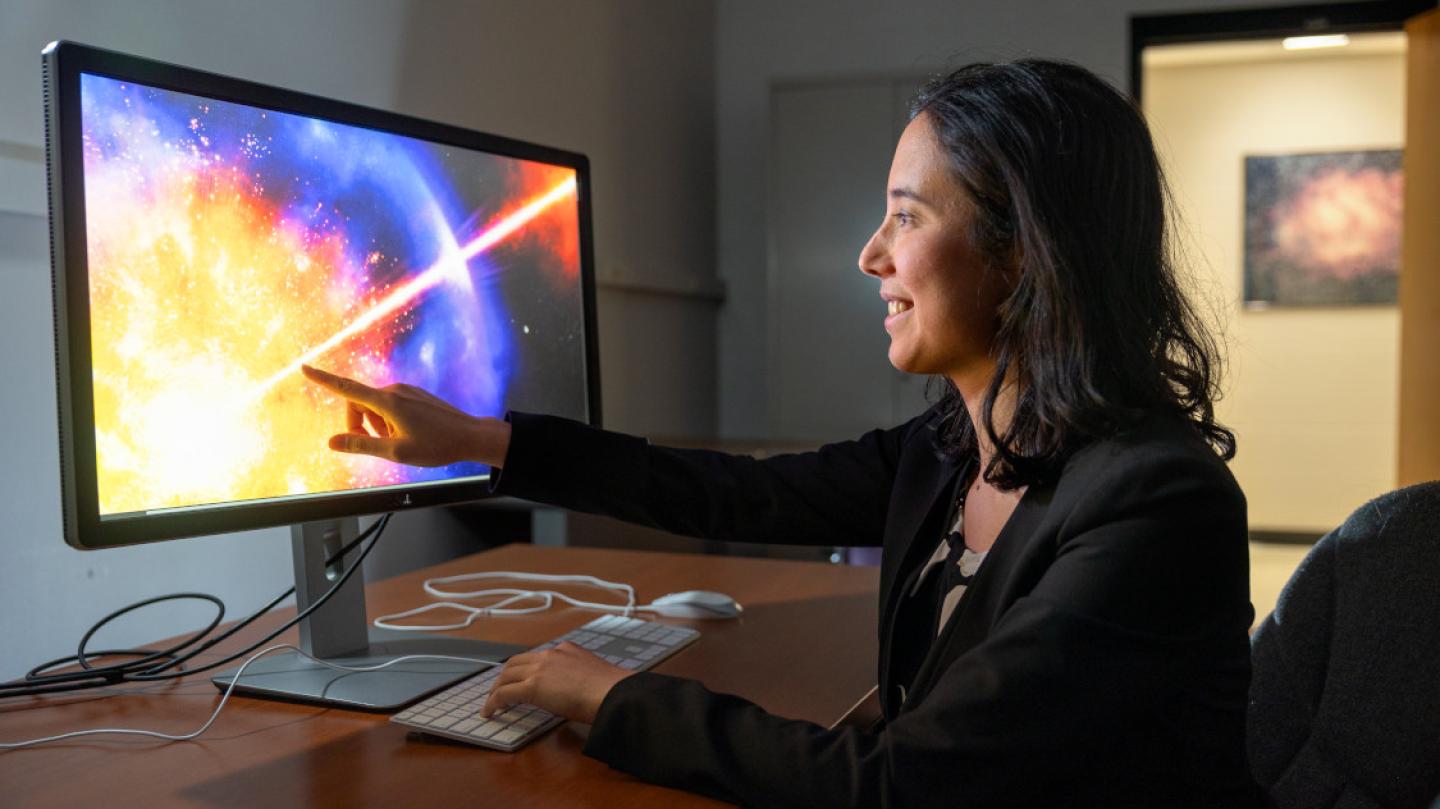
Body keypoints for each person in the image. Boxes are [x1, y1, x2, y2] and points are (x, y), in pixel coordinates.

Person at [302, 59, 1263, 808]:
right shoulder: (949, 448)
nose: (871, 254)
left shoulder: (1154, 504)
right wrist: (486, 439)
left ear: (1023, 255)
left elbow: (903, 787)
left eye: (905, 217)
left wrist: (614, 697)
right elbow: (735, 493)